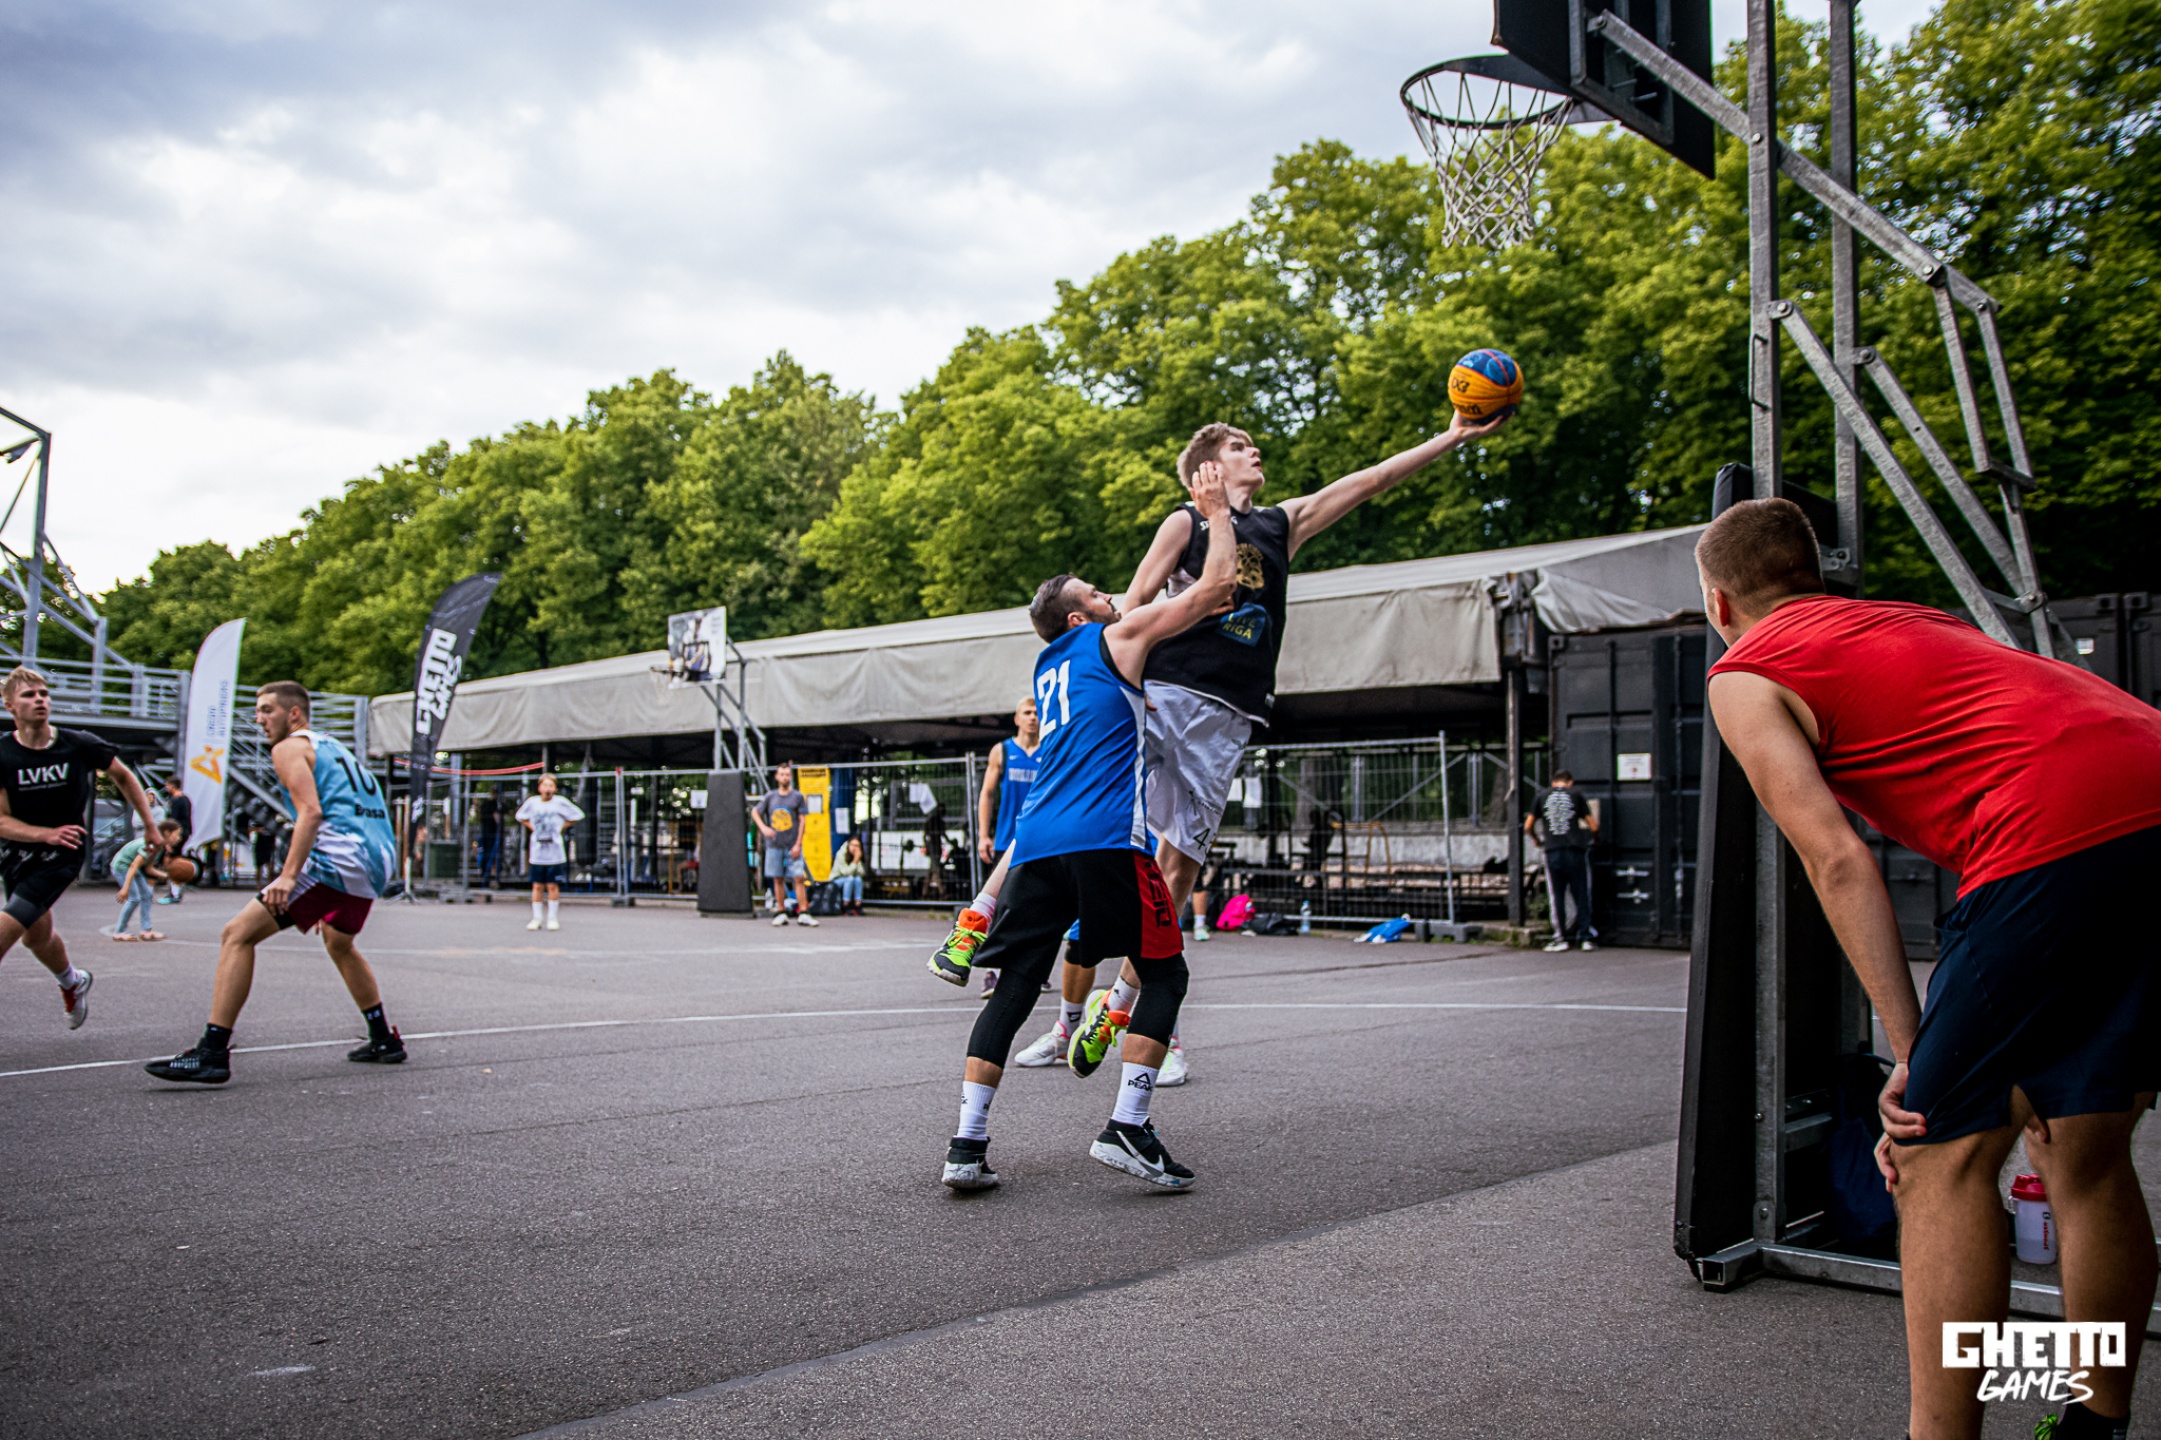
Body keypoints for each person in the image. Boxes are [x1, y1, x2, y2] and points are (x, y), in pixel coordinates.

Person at [1698, 498, 2161, 1440]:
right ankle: (2091, 1425)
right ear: (1813, 577)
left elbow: (1835, 859)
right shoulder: (1911, 619)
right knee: (2081, 1144)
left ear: (1719, 603)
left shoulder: (1744, 670)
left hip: (2051, 830)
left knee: (1932, 1152)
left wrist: (1911, 1053)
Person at [931, 410, 1511, 1084]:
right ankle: (979, 920)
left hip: (1229, 716)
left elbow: (1368, 481)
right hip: (1165, 694)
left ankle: (1117, 1007)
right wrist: (1101, 676)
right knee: (1075, 803)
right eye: (1239, 446)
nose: (1253, 450)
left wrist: (1452, 436)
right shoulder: (1185, 522)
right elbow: (1134, 599)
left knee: (1178, 867)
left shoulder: (1279, 525)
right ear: (1208, 467)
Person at [936, 457, 1236, 1194]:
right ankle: (1127, 1126)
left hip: (1037, 848)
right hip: (1105, 842)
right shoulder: (1118, 638)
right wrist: (1216, 513)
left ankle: (965, 1145)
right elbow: (1218, 589)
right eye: (1098, 594)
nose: (1114, 595)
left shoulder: (1048, 670)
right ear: (1080, 617)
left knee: (1012, 990)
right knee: (1166, 974)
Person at [146, 682, 406, 1085]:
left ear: (294, 714)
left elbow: (310, 813)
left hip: (341, 858)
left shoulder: (288, 748)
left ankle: (212, 1052)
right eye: (257, 711)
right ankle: (383, 1038)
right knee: (339, 942)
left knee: (237, 934)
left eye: (267, 710)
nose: (259, 719)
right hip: (377, 859)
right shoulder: (333, 748)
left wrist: (288, 876)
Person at [0, 666, 164, 1029]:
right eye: (29, 695)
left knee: (6, 927)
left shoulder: (78, 744)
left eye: (44, 693)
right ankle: (73, 981)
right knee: (35, 937)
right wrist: (43, 833)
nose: (40, 700)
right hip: (20, 853)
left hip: (63, 853)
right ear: (9, 705)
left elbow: (123, 776)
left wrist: (150, 826)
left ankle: (71, 982)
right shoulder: (3, 754)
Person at [956, 699, 1041, 997]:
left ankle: (1031, 968)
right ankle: (991, 972)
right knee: (1000, 905)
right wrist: (983, 835)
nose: (1032, 717)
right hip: (1007, 840)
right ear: (1016, 719)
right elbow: (987, 793)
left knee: (1037, 907)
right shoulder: (1002, 751)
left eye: (1037, 713)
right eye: (1027, 713)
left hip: (1041, 840)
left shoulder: (1050, 749)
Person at [1524, 769, 1598, 952]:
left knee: (1557, 895)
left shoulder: (1541, 796)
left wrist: (1536, 839)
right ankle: (1585, 937)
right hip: (1575, 850)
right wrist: (1595, 840)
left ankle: (1561, 938)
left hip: (1553, 850)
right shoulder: (1576, 795)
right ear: (1570, 782)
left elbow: (1528, 825)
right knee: (1582, 893)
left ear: (1553, 782)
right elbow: (1593, 826)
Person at [517, 774, 584, 931]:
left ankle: (552, 918)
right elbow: (520, 816)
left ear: (555, 788)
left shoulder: (560, 802)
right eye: (545, 785)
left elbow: (578, 814)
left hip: (555, 852)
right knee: (537, 885)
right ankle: (537, 918)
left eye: (551, 786)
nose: (548, 789)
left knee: (553, 885)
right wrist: (532, 827)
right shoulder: (532, 803)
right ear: (540, 788)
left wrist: (562, 826)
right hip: (538, 852)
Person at [753, 763, 816, 927]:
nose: (784, 777)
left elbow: (802, 821)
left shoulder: (797, 797)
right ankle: (781, 911)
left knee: (799, 877)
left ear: (790, 777)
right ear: (777, 777)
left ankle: (803, 912)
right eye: (781, 774)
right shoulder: (770, 797)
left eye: (787, 774)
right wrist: (764, 828)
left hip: (792, 844)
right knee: (778, 878)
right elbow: (755, 811)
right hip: (774, 844)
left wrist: (798, 844)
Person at [108, 818, 186, 941]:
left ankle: (146, 930)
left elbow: (149, 869)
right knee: (134, 898)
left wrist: (170, 876)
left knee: (147, 895)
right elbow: (133, 865)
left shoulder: (159, 847)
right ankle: (119, 932)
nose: (179, 838)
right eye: (177, 834)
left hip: (132, 867)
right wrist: (125, 889)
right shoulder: (151, 846)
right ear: (167, 833)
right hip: (122, 866)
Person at [158, 774, 193, 904]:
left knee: (171, 862)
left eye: (167, 785)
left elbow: (173, 822)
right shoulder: (186, 799)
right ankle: (175, 890)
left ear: (173, 786)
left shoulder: (176, 801)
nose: (166, 788)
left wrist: (168, 841)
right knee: (175, 859)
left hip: (176, 835)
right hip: (184, 833)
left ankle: (174, 892)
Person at [831, 836, 868, 915]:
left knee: (858, 879)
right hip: (836, 880)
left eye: (857, 846)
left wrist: (857, 860)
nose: (854, 848)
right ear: (848, 845)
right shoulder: (841, 854)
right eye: (852, 845)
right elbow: (846, 872)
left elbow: (861, 873)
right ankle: (845, 904)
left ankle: (858, 904)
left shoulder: (857, 856)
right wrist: (855, 861)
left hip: (849, 879)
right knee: (850, 879)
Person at [477, 789, 503, 888]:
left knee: (491, 852)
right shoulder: (490, 805)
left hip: (491, 832)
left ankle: (490, 871)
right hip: (490, 832)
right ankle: (488, 872)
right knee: (488, 852)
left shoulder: (495, 805)